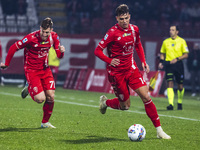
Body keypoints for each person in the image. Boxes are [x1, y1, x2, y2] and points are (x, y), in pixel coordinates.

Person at [94, 4, 171, 139]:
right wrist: (109, 60)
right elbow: (97, 50)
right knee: (125, 106)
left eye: (126, 18)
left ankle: (159, 131)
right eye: (121, 19)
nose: (124, 21)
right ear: (117, 18)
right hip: (116, 73)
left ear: (130, 16)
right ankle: (105, 102)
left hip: (131, 68)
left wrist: (143, 61)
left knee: (146, 97)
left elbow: (138, 44)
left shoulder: (135, 29)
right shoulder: (112, 32)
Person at [0, 17, 65, 128]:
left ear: (51, 30)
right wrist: (6, 63)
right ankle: (29, 86)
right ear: (40, 28)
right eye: (43, 32)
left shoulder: (54, 37)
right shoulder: (31, 38)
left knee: (51, 97)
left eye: (47, 32)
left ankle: (45, 123)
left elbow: (59, 56)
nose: (45, 34)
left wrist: (62, 52)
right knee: (40, 99)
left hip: (45, 70)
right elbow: (13, 47)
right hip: (32, 71)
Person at [158, 25, 189, 110]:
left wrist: (177, 59)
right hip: (169, 65)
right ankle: (171, 104)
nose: (170, 31)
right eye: (170, 30)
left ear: (177, 32)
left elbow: (186, 55)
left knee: (180, 86)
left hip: (178, 65)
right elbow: (162, 53)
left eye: (172, 30)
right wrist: (161, 62)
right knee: (170, 83)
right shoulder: (166, 42)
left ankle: (179, 102)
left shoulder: (182, 41)